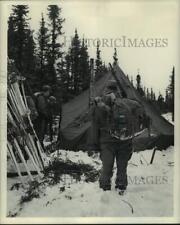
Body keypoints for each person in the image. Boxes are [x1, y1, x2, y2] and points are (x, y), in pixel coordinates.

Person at [88, 80, 144, 194]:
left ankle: (105, 189)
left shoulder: (99, 104)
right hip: (125, 141)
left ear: (106, 89)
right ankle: (121, 187)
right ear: (117, 90)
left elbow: (94, 127)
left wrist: (93, 145)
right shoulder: (129, 103)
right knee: (122, 167)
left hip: (107, 141)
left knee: (107, 167)